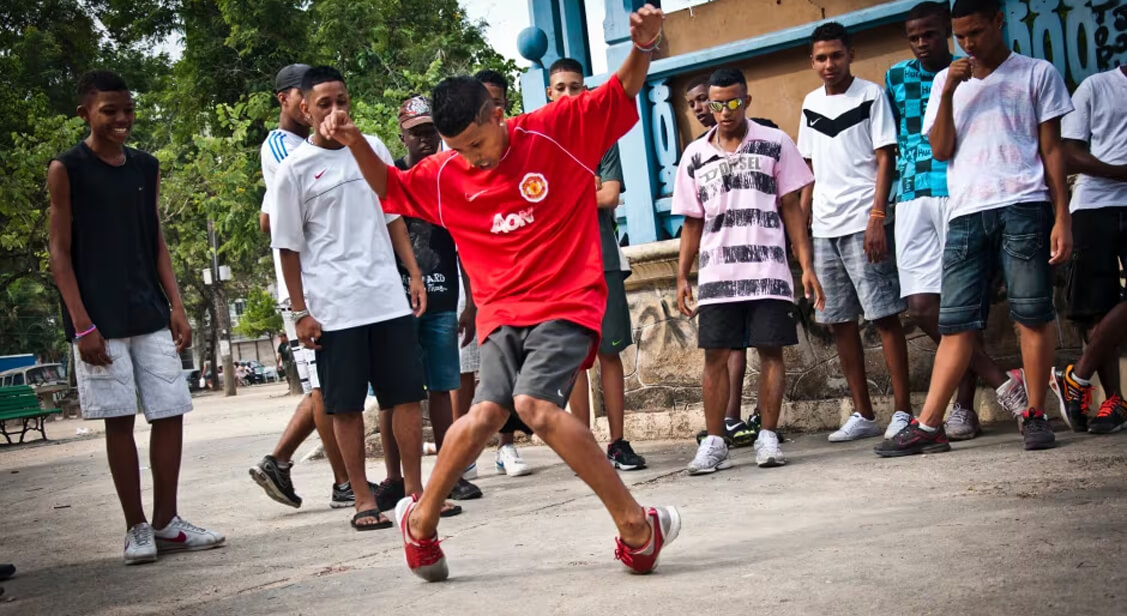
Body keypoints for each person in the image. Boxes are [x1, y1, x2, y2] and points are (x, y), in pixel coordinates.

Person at [325, 4, 677, 580]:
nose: (474, 157)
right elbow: (389, 184)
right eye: (458, 148)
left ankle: (637, 528)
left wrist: (642, 46)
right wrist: (354, 139)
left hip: (567, 300)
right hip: (501, 313)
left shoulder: (556, 131)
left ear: (498, 113)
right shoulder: (444, 174)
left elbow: (621, 93)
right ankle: (418, 526)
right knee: (485, 412)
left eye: (479, 141)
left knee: (534, 406)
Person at [875, 0, 1073, 456]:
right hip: (965, 210)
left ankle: (1035, 414)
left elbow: (1053, 150)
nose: (968, 43)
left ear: (998, 22)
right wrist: (947, 92)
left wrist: (1062, 216)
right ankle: (929, 425)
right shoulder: (948, 80)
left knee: (1031, 313)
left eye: (977, 33)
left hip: (1024, 202)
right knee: (955, 321)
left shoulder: (1036, 73)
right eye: (960, 36)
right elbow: (941, 149)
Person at [48, 70, 225, 564]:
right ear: (85, 112)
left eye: (128, 109)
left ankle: (168, 520)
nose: (122, 118)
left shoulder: (146, 167)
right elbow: (59, 253)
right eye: (110, 111)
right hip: (98, 321)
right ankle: (137, 527)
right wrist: (81, 324)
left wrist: (177, 305)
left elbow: (157, 241)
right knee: (119, 421)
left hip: (149, 312)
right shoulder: (67, 168)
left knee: (171, 410)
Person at [270, 65, 430, 530]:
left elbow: (394, 214)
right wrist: (300, 312)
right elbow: (288, 247)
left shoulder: (371, 147)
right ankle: (362, 498)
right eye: (325, 104)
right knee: (344, 405)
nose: (336, 111)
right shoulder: (292, 171)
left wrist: (413, 275)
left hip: (387, 298)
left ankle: (417, 493)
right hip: (335, 308)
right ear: (304, 109)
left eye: (342, 101)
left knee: (404, 397)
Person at [885, 2, 1028, 441]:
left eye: (930, 34)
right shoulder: (895, 78)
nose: (922, 43)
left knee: (963, 308)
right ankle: (1004, 380)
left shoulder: (972, 71)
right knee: (922, 307)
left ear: (948, 31)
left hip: (957, 192)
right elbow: (888, 147)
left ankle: (964, 408)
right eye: (914, 36)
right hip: (910, 196)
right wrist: (878, 211)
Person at [675, 68, 822, 472]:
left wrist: (805, 265)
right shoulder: (695, 155)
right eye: (716, 103)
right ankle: (715, 441)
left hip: (769, 269)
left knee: (771, 352)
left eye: (733, 102)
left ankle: (768, 436)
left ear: (747, 101)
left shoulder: (776, 143)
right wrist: (682, 276)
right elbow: (692, 222)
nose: (724, 111)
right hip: (717, 276)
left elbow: (792, 208)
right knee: (715, 357)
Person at [798, 22, 913, 442]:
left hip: (864, 222)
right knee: (839, 323)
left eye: (837, 56)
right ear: (812, 61)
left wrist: (877, 216)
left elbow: (886, 159)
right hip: (824, 230)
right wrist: (803, 230)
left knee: (884, 317)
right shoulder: (810, 103)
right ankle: (863, 413)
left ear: (850, 54)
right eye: (822, 58)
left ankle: (903, 412)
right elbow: (807, 170)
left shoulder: (870, 95)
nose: (830, 64)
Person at [250, 64, 355, 510]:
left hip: (333, 278)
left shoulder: (320, 146)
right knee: (323, 387)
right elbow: (270, 221)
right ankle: (343, 482)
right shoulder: (282, 146)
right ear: (288, 101)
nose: (318, 107)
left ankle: (281, 459)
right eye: (307, 97)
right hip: (305, 285)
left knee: (327, 384)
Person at [372, 95, 483, 507]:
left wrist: (471, 301)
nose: (424, 139)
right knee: (396, 394)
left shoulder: (450, 176)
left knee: (443, 388)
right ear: (400, 134)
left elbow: (467, 242)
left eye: (430, 131)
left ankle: (447, 474)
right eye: (416, 132)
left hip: (443, 299)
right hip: (395, 304)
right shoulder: (389, 178)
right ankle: (394, 478)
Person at [547, 57, 647, 471]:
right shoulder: (541, 141)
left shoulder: (601, 136)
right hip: (561, 265)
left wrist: (567, 194)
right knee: (573, 358)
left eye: (576, 87)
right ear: (549, 94)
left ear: (585, 92)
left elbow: (609, 196)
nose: (569, 95)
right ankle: (581, 445)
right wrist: (581, 190)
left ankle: (618, 442)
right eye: (561, 88)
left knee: (610, 352)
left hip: (602, 258)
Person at [462, 68, 534, 478]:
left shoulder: (525, 150)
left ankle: (507, 447)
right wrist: (471, 298)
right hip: (484, 293)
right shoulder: (459, 165)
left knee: (526, 397)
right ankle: (463, 458)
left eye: (498, 100)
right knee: (478, 387)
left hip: (528, 292)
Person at [1049, 64, 1127, 434]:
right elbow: (1069, 153)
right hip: (1095, 205)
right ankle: (1114, 401)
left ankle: (1076, 378)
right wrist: (1122, 172)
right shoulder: (1097, 86)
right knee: (1098, 307)